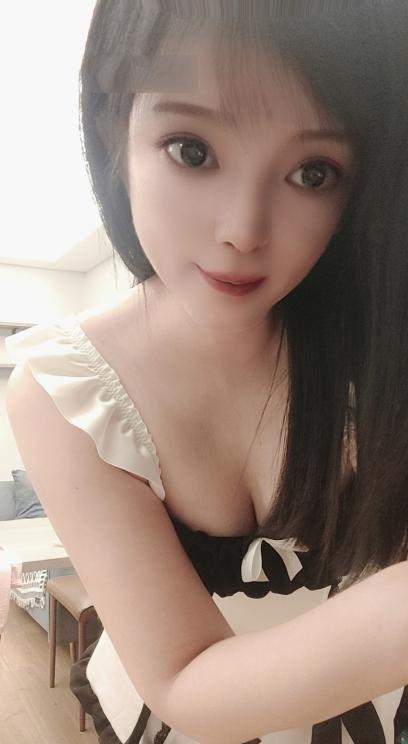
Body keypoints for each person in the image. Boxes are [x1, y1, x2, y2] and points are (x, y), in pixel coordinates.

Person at [5, 0, 408, 742]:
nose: (243, 231)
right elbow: (182, 680)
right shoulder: (64, 391)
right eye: (192, 150)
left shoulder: (377, 343)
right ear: (113, 130)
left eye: (313, 172)